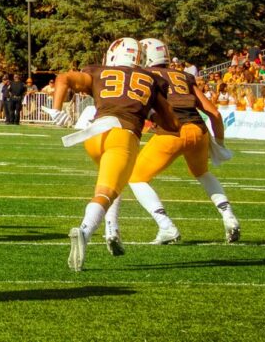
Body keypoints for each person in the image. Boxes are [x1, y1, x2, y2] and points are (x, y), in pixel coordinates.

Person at [47, 37, 182, 270]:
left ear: (113, 54)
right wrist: (149, 112)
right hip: (122, 136)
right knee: (105, 192)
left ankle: (112, 229)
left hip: (94, 135)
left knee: (113, 182)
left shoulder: (99, 72)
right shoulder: (151, 79)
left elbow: (64, 78)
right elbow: (172, 123)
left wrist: (56, 110)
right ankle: (85, 231)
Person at [117, 38, 240, 246]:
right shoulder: (184, 76)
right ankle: (229, 216)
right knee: (203, 173)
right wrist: (219, 143)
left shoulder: (144, 75)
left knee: (135, 177)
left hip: (171, 132)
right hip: (198, 131)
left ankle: (166, 226)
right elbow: (214, 113)